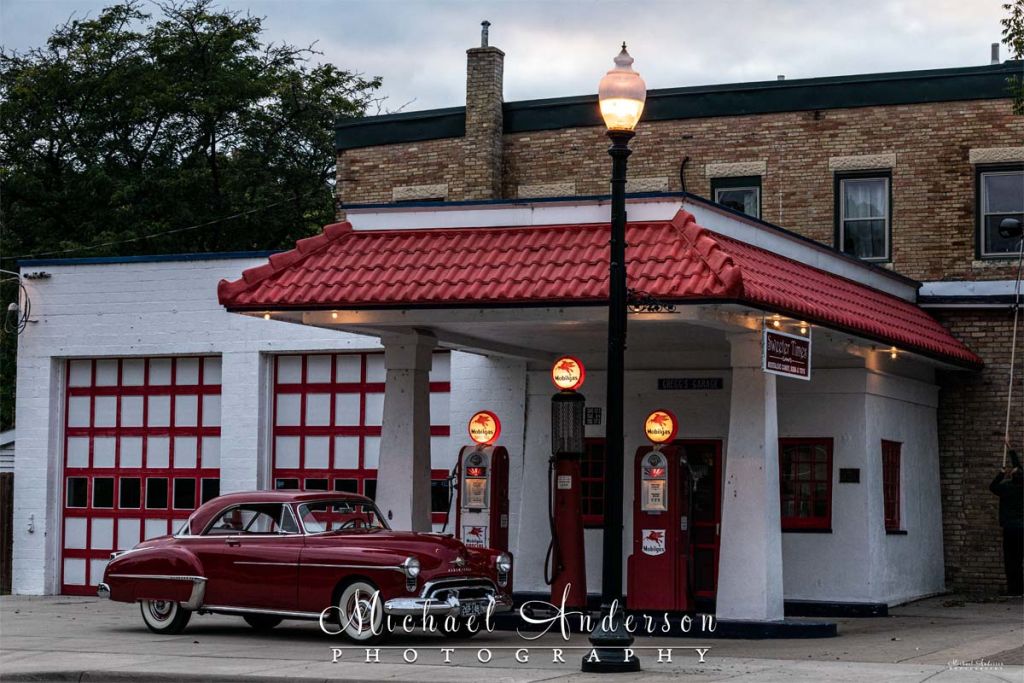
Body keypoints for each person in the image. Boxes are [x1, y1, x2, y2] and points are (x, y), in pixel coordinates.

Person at [990, 455, 1023, 596]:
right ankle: (1021, 590)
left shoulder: (1005, 487)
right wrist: (1011, 451)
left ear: (1011, 476)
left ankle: (1013, 590)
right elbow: (1020, 468)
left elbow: (992, 487)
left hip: (1009, 528)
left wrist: (1000, 474)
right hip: (1022, 528)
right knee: (1020, 560)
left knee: (1011, 560)